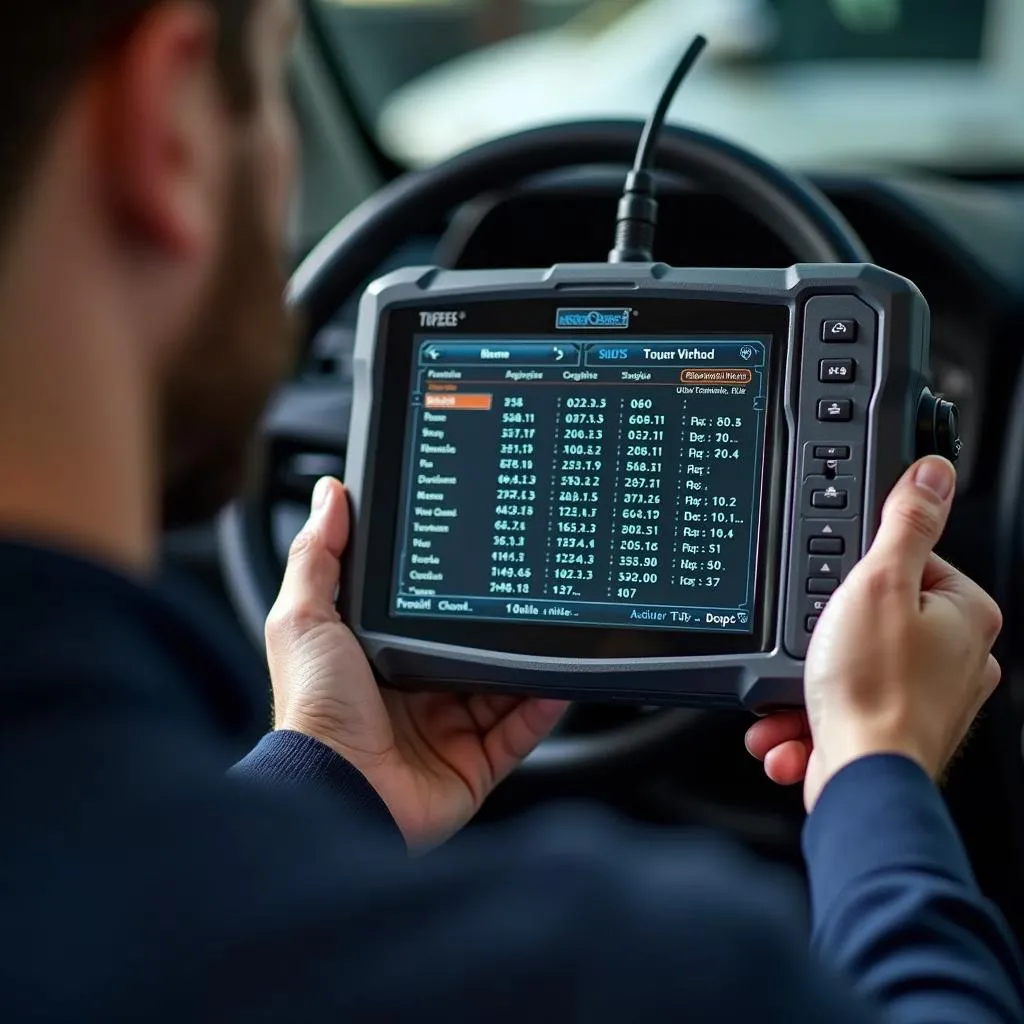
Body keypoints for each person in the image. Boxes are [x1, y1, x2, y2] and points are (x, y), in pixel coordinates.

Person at [0, 1, 1019, 1021]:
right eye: (274, 84)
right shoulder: (617, 972)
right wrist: (878, 773)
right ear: (167, 117)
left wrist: (329, 771)